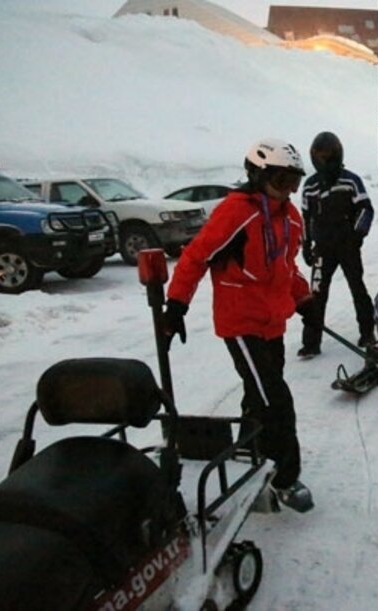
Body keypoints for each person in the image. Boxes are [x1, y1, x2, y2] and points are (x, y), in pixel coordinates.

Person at [162, 138, 315, 513]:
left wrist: (303, 298)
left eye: (293, 181)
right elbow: (196, 257)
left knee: (258, 393)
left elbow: (285, 266)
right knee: (276, 401)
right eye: (279, 179)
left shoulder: (291, 217)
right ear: (257, 175)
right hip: (241, 321)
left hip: (273, 319)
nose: (287, 189)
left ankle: (253, 450)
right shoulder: (236, 212)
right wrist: (176, 304)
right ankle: (284, 477)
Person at [297, 131, 376, 357]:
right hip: (322, 247)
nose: (324, 160)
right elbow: (306, 217)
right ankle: (311, 342)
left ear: (338, 155)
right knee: (316, 294)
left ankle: (368, 333)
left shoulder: (351, 180)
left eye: (328, 156)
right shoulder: (310, 185)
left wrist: (357, 235)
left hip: (347, 245)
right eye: (320, 156)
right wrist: (306, 244)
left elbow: (366, 209)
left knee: (357, 288)